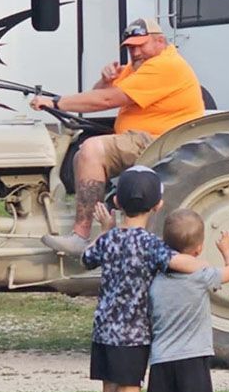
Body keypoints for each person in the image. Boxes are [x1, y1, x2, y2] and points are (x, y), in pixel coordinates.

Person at [30, 18, 205, 259]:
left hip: (158, 141)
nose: (134, 51)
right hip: (139, 137)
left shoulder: (165, 65)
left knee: (92, 149)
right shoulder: (138, 66)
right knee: (82, 151)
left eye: (140, 45)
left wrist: (57, 102)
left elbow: (106, 101)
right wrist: (105, 80)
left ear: (160, 41)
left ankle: (80, 236)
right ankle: (93, 219)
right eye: (130, 47)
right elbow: (102, 92)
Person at [82, 166, 202, 392]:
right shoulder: (150, 245)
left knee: (109, 391)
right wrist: (207, 262)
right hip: (134, 333)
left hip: (103, 330)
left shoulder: (108, 241)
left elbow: (86, 258)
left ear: (117, 203)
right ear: (158, 205)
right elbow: (182, 263)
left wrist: (107, 229)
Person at [145, 208, 229, 392]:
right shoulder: (200, 276)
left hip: (162, 356)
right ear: (198, 250)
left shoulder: (156, 279)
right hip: (193, 355)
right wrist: (227, 249)